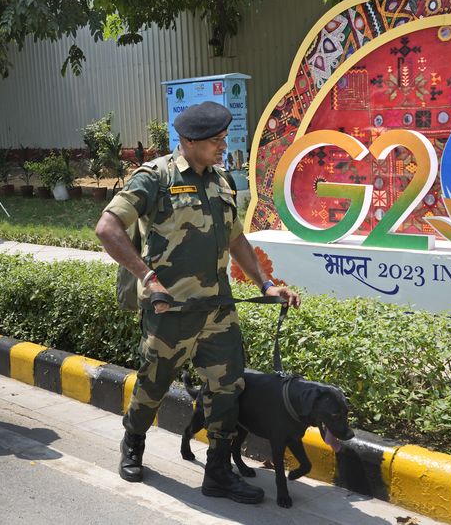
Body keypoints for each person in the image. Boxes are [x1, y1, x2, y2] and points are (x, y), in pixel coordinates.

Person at [95, 101, 300, 504]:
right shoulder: (154, 177)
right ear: (188, 141)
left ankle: (219, 471)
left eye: (225, 138)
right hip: (170, 311)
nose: (224, 146)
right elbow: (107, 227)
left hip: (218, 311)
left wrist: (265, 282)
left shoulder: (222, 180)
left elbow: (236, 237)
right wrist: (148, 278)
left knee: (226, 389)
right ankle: (133, 441)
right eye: (215, 140)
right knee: (153, 384)